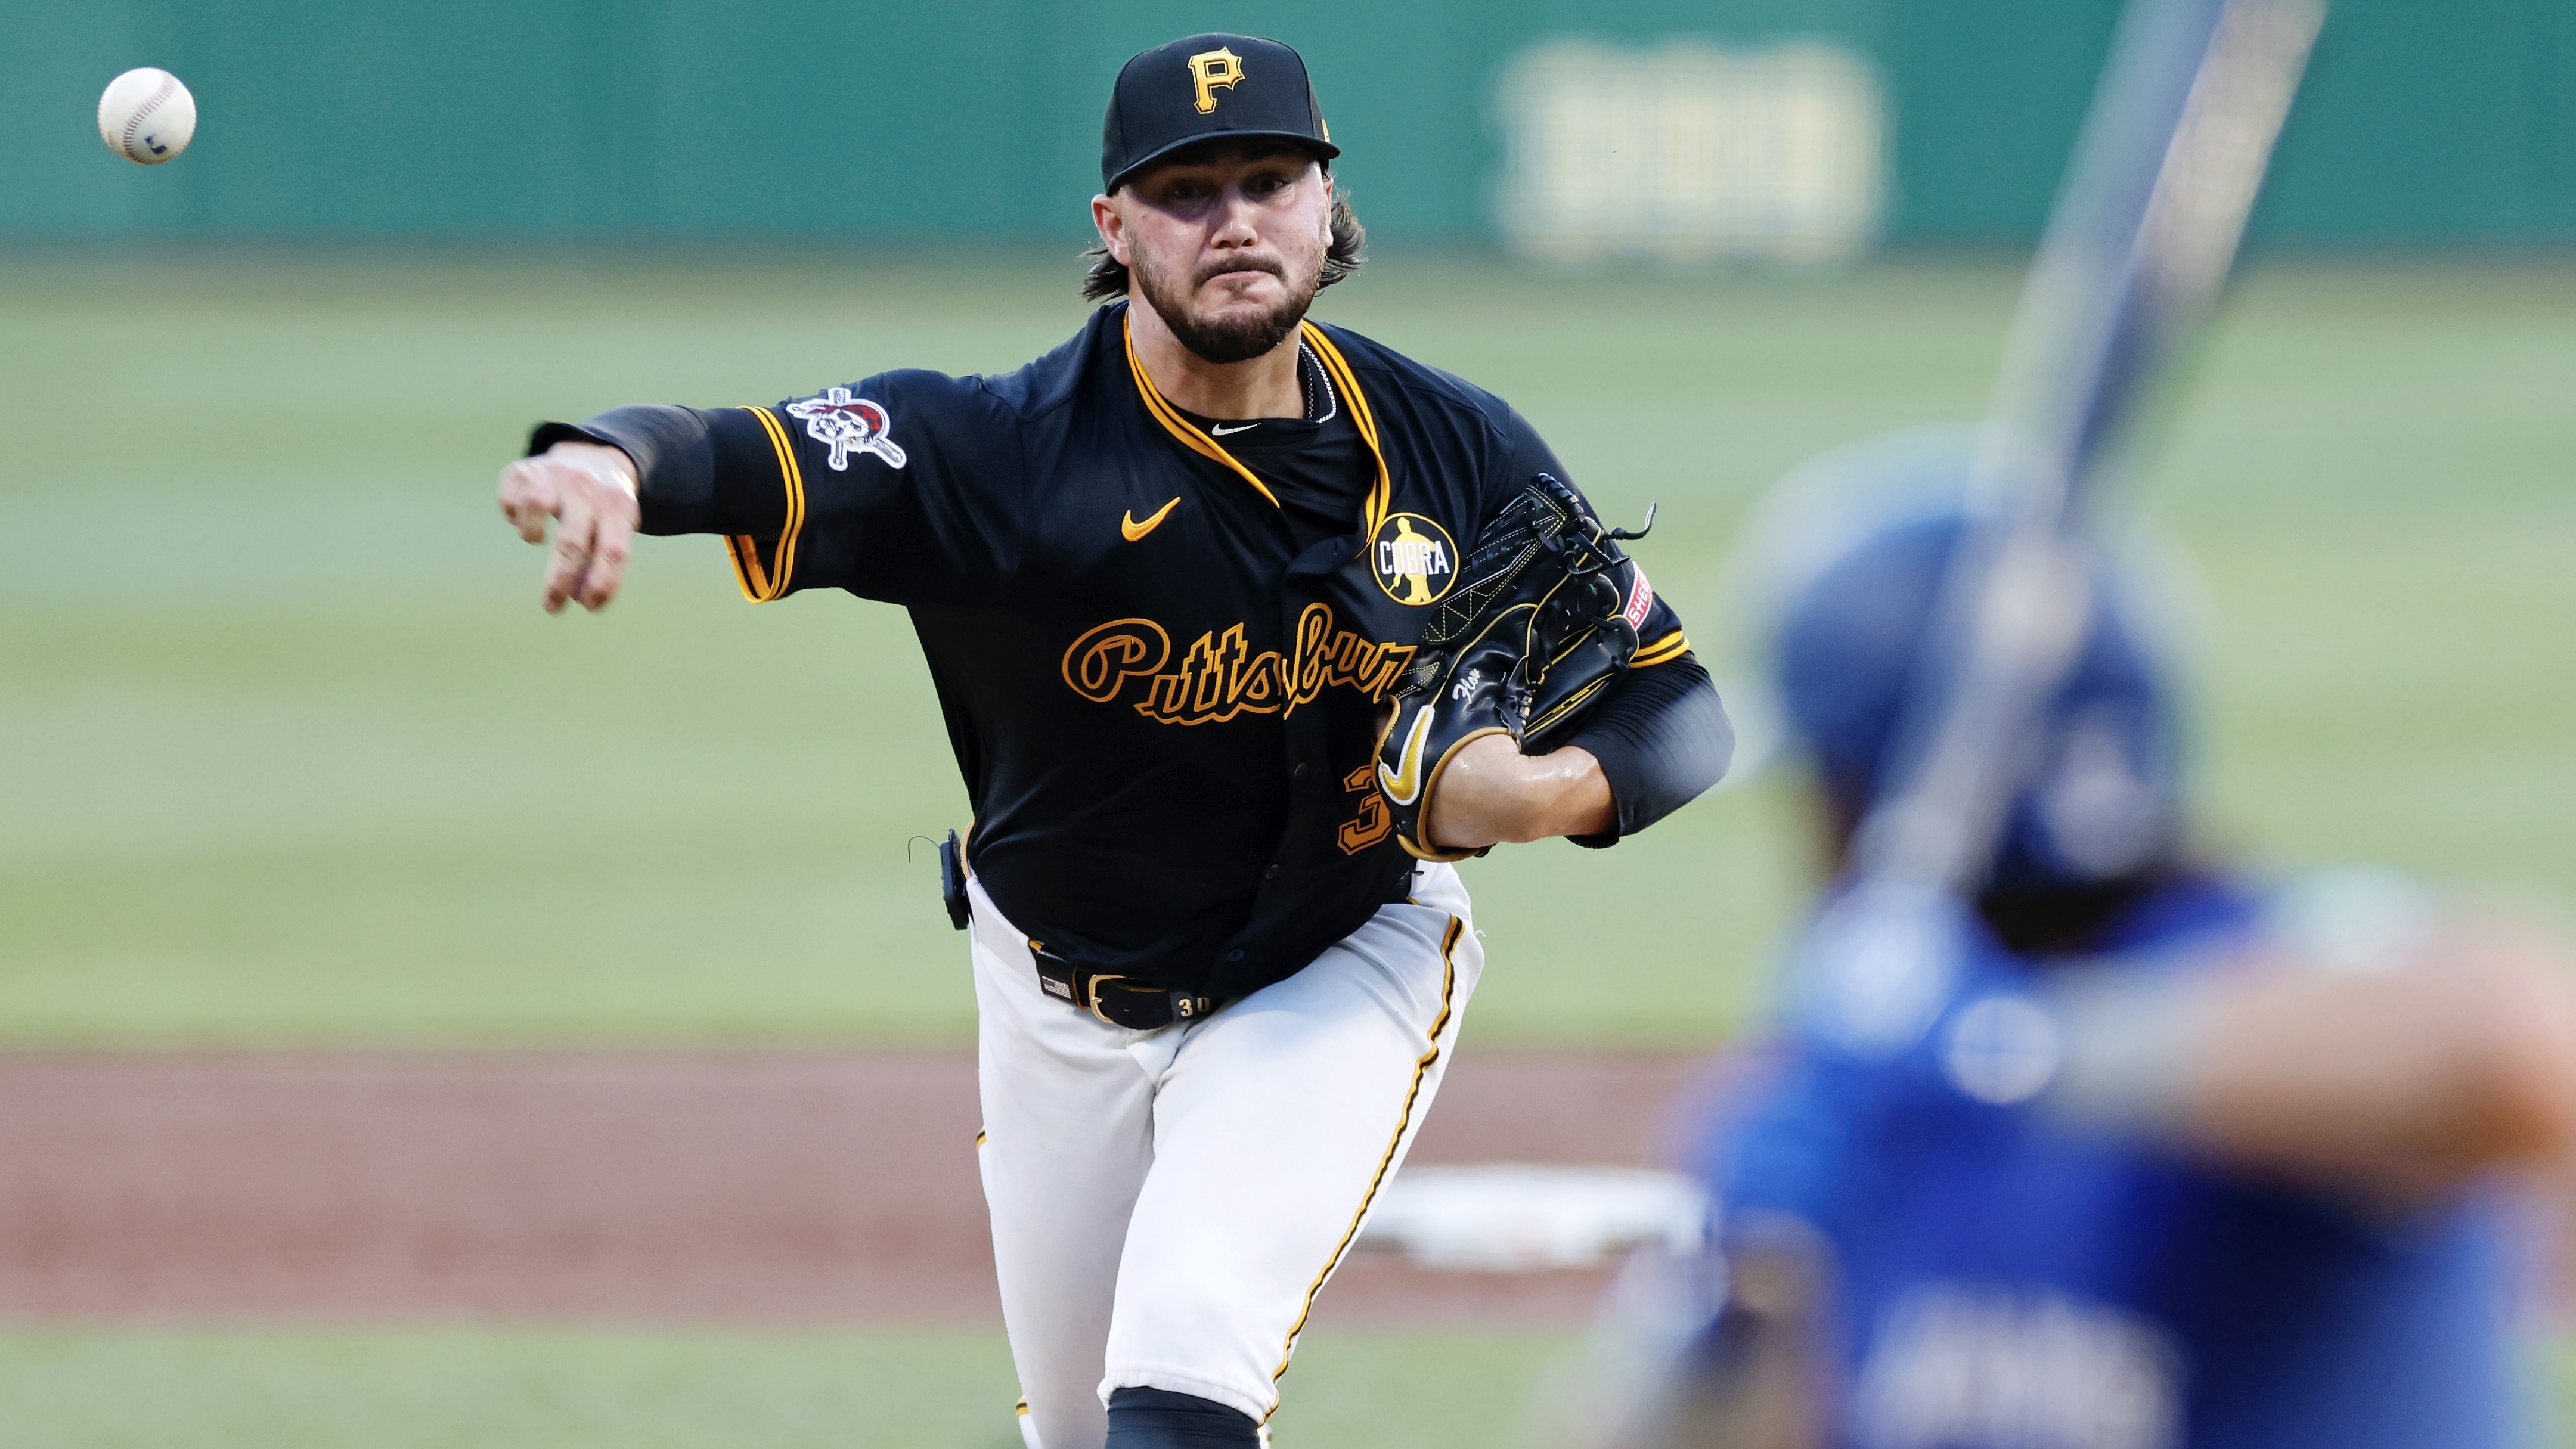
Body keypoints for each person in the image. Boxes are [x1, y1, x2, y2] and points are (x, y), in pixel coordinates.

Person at [493, 33, 1731, 1449]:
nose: (1236, 220)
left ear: (1329, 205)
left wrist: (1543, 794)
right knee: (1083, 1433)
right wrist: (604, 457)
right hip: (1053, 1000)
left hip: (1334, 959)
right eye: (1186, 190)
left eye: (1270, 178)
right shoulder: (996, 455)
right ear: (1114, 227)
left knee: (1187, 1363)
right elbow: (735, 449)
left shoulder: (1456, 447)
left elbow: (1680, 706)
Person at [1603, 433, 2576, 1449]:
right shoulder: (1859, 1098)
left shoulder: (2270, 991)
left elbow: (2509, 1050)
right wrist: (1728, 1303)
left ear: (1861, 792)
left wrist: (1993, 1049)